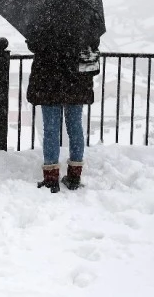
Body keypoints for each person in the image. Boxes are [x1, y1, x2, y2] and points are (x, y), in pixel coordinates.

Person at [26, 15, 100, 193]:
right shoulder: (86, 17)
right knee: (75, 126)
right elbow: (94, 45)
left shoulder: (44, 15)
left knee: (51, 128)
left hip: (50, 80)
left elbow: (34, 45)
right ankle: (74, 175)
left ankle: (51, 177)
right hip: (77, 82)